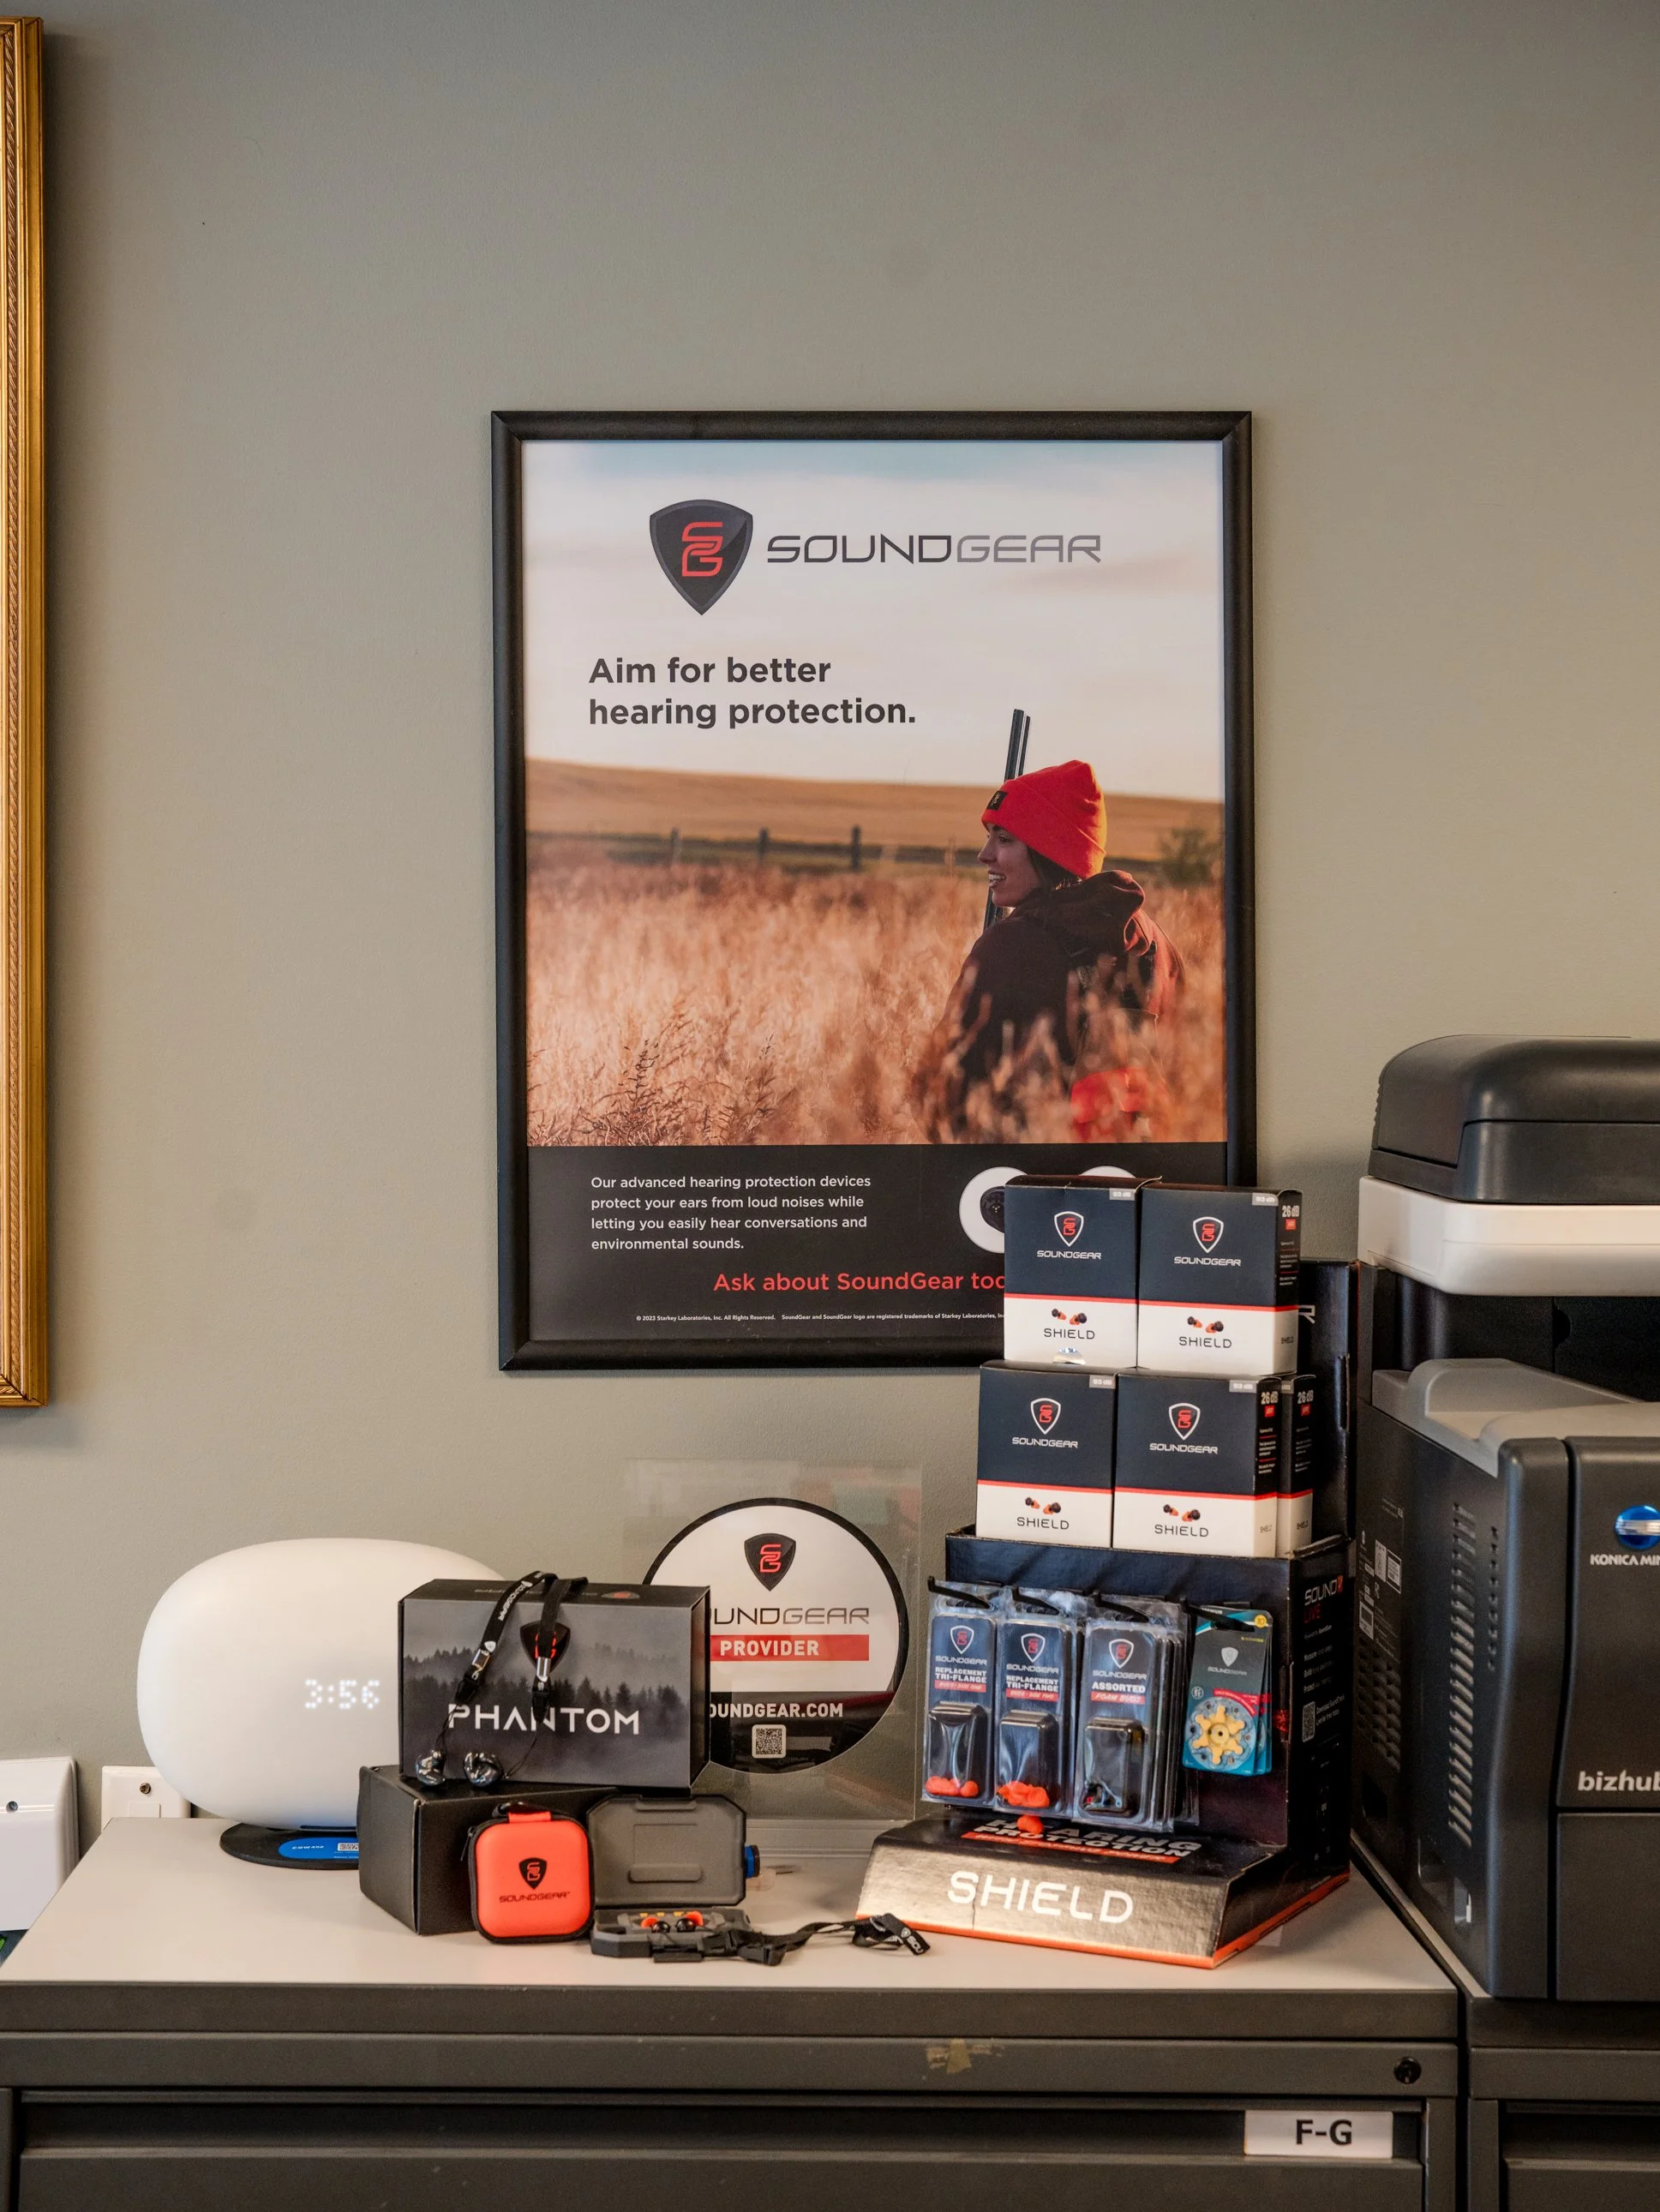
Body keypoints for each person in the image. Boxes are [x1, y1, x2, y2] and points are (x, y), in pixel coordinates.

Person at [928, 758, 1184, 1133]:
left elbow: (941, 1097)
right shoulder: (1159, 945)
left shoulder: (1008, 946)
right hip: (1138, 1176)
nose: (985, 855)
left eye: (1004, 839)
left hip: (1026, 1180)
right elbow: (1191, 1079)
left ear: (1050, 849)